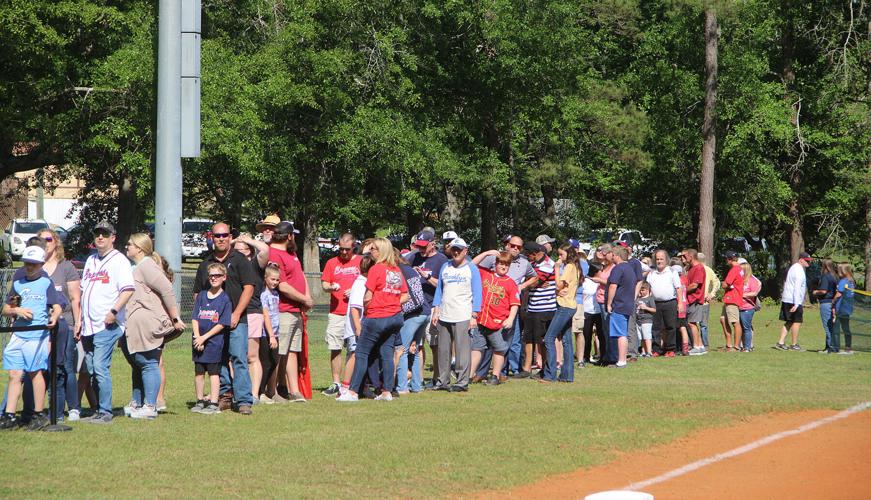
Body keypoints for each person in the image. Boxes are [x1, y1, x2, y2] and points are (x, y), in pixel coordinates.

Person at [194, 222, 257, 413]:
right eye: (217, 236)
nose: (221, 239)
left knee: (238, 358)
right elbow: (198, 293)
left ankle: (244, 400)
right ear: (211, 238)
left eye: (224, 235)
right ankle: (224, 396)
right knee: (217, 360)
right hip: (213, 325)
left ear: (230, 237)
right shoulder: (205, 263)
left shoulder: (239, 260)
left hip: (237, 320)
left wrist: (236, 313)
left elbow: (249, 287)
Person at [0, 246, 63, 430]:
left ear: (41, 265)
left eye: (34, 264)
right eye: (27, 263)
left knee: (35, 372)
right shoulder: (18, 284)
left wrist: (54, 317)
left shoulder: (46, 283)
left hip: (37, 335)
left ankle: (39, 413)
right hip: (19, 334)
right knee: (14, 374)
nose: (29, 267)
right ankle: (10, 415)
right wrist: (16, 310)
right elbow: (5, 308)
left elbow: (56, 305)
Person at [338, 238, 408, 401]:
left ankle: (353, 392)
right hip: (395, 317)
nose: (371, 252)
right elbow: (405, 295)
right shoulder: (396, 270)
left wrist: (371, 305)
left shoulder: (376, 269)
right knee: (386, 353)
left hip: (376, 316)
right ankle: (386, 391)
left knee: (362, 352)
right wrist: (392, 302)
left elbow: (368, 295)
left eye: (374, 249)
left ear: (382, 251)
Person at [123, 233, 184, 420]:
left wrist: (175, 317)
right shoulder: (137, 266)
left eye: (130, 244)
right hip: (134, 322)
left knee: (149, 363)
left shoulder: (147, 266)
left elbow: (166, 289)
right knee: (138, 363)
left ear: (140, 248)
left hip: (148, 322)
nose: (126, 247)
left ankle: (150, 405)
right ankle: (137, 402)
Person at [80, 221, 135, 424]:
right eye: (97, 234)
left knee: (100, 367)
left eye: (105, 234)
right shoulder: (91, 260)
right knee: (92, 368)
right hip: (88, 324)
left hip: (108, 324)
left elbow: (128, 289)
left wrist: (114, 311)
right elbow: (84, 290)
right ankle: (97, 409)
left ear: (113, 237)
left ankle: (105, 413)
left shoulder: (119, 261)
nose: (100, 237)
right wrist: (79, 320)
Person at [472, 235, 537, 378]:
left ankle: (502, 372)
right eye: (513, 245)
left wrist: (522, 286)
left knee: (507, 342)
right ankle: (480, 373)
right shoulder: (495, 258)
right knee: (485, 345)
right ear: (507, 245)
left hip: (507, 310)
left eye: (519, 247)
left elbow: (534, 277)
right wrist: (487, 253)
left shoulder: (524, 263)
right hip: (487, 313)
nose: (515, 248)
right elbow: (472, 266)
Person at [36, 228, 83, 422]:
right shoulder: (36, 267)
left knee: (66, 366)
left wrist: (78, 321)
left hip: (66, 324)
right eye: (40, 240)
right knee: (44, 368)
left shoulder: (67, 267)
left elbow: (74, 298)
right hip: (41, 325)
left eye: (48, 239)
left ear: (56, 242)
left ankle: (73, 408)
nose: (44, 242)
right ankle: (48, 408)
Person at [265, 221, 312, 403]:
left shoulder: (291, 253)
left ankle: (294, 390)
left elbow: (300, 275)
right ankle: (272, 390)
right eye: (294, 235)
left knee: (292, 351)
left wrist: (306, 298)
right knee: (279, 352)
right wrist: (304, 299)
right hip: (282, 310)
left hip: (295, 310)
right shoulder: (274, 254)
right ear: (289, 236)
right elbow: (282, 285)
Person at [431, 238, 482, 392]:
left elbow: (477, 292)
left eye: (459, 249)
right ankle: (442, 381)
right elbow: (439, 289)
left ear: (466, 251)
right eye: (453, 249)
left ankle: (461, 382)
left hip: (463, 315)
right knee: (443, 350)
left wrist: (474, 315)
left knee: (462, 351)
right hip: (444, 314)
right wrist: (436, 310)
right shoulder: (445, 267)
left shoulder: (471, 268)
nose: (456, 252)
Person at [469, 251, 520, 385]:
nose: (504, 267)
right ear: (495, 264)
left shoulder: (510, 283)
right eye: (501, 263)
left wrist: (510, 319)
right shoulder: (485, 274)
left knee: (499, 349)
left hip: (497, 323)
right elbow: (471, 265)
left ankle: (495, 376)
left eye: (507, 264)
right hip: (481, 320)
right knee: (476, 348)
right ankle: (469, 376)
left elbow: (515, 304)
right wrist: (487, 253)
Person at [320, 233, 361, 395]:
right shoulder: (331, 263)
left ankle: (350, 382)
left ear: (353, 247)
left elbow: (369, 282)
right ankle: (336, 382)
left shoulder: (361, 261)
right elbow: (324, 284)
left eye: (347, 249)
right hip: (336, 312)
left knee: (355, 349)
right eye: (341, 249)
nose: (343, 252)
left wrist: (356, 290)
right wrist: (330, 287)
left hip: (355, 313)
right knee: (335, 347)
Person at [408, 230, 449, 386]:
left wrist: (427, 277)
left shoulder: (441, 260)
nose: (421, 249)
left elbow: (444, 285)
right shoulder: (414, 257)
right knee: (417, 345)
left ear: (433, 243)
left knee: (434, 344)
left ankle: (437, 378)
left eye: (424, 246)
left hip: (433, 307)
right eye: (419, 246)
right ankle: (417, 379)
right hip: (416, 308)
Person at [233, 233, 270, 403]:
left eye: (243, 250)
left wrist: (247, 240)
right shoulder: (231, 264)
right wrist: (233, 241)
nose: (239, 253)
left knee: (251, 356)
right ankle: (236, 391)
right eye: (236, 251)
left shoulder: (255, 264)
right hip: (234, 313)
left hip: (253, 312)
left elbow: (264, 249)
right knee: (234, 355)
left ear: (249, 251)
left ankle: (254, 394)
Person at [191, 263, 233, 415]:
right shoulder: (202, 295)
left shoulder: (225, 299)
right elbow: (195, 317)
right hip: (198, 341)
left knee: (213, 373)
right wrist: (197, 337)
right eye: (211, 276)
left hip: (213, 342)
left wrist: (204, 338)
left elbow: (222, 324)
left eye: (217, 275)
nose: (214, 278)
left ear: (224, 277)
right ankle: (200, 400)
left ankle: (214, 402)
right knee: (199, 372)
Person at [541, 244, 581, 382]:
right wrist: (558, 290)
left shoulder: (569, 267)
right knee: (567, 341)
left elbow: (559, 285)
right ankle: (567, 375)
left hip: (564, 306)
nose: (559, 257)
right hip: (570, 305)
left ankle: (550, 374)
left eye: (561, 254)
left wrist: (556, 269)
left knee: (548, 338)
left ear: (568, 254)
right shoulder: (575, 267)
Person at [516, 242, 556, 376]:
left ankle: (544, 368)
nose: (527, 257)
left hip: (545, 308)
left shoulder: (548, 264)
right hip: (532, 307)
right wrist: (531, 281)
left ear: (536, 253)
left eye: (528, 255)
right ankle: (526, 368)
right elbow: (529, 279)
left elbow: (535, 281)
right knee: (528, 338)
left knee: (541, 340)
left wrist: (531, 283)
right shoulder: (534, 264)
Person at [338, 255, 375, 395]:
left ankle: (362, 386)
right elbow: (354, 308)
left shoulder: (366, 282)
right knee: (353, 355)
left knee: (363, 356)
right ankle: (345, 387)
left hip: (364, 325)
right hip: (356, 328)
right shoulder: (361, 283)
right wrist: (358, 329)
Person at [395, 251, 428, 394]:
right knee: (413, 349)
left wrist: (399, 310)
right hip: (423, 314)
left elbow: (417, 299)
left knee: (402, 349)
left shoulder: (404, 271)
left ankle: (402, 387)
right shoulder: (408, 270)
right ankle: (416, 385)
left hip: (416, 315)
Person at [646, 250, 683, 357]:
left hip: (670, 302)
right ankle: (656, 349)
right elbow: (648, 288)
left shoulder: (672, 272)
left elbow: (678, 288)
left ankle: (671, 349)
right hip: (655, 303)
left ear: (666, 260)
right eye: (657, 259)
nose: (659, 261)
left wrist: (680, 303)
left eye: (661, 259)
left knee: (670, 327)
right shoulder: (652, 273)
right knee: (656, 327)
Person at [606, 246, 635, 367]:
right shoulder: (629, 268)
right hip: (627, 304)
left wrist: (609, 303)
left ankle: (621, 360)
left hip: (619, 304)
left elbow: (613, 286)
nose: (611, 257)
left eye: (612, 255)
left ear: (617, 256)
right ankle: (622, 359)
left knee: (620, 334)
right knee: (622, 332)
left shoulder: (618, 268)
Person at [776, 252, 811, 351]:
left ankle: (781, 342)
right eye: (806, 261)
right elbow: (796, 288)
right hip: (793, 300)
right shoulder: (799, 271)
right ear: (801, 260)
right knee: (797, 322)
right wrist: (796, 303)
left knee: (789, 321)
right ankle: (794, 344)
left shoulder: (793, 267)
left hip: (787, 298)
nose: (808, 263)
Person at [590, 244, 614, 364]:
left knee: (608, 329)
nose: (599, 253)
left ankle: (610, 356)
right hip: (599, 299)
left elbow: (612, 283)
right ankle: (605, 356)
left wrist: (599, 280)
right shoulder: (601, 266)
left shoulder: (613, 267)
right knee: (603, 330)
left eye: (602, 251)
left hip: (607, 299)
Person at [680, 249, 706, 355]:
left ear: (691, 256)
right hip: (691, 300)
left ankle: (696, 346)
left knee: (692, 323)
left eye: (684, 257)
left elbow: (695, 285)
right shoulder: (691, 268)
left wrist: (682, 290)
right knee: (692, 323)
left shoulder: (699, 268)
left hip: (695, 299)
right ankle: (700, 346)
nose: (683, 259)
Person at [719, 250, 744, 352]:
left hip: (732, 298)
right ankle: (729, 345)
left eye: (726, 258)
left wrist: (724, 284)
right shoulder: (739, 269)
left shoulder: (734, 269)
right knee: (723, 319)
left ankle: (736, 346)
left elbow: (725, 284)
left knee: (735, 322)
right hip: (730, 298)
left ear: (729, 259)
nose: (725, 260)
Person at [812, 259, 838, 353]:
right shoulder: (834, 277)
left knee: (827, 327)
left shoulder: (825, 277)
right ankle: (829, 347)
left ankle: (830, 347)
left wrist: (815, 292)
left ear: (825, 266)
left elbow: (823, 291)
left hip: (826, 303)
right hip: (833, 303)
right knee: (832, 325)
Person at [696, 252, 721, 348]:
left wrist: (712, 294)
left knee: (702, 325)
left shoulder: (707, 270)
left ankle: (704, 344)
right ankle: (699, 343)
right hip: (696, 300)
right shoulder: (694, 269)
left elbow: (717, 283)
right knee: (700, 324)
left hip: (703, 301)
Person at [830, 263, 855, 354]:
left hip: (841, 308)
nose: (837, 271)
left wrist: (833, 301)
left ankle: (836, 347)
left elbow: (839, 294)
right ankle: (848, 347)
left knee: (837, 328)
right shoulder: (851, 281)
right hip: (847, 308)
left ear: (843, 271)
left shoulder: (844, 281)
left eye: (839, 270)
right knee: (846, 328)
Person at [581, 263, 603, 365]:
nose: (602, 273)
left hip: (599, 311)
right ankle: (585, 356)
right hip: (587, 311)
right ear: (595, 272)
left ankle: (603, 356)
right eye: (600, 271)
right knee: (587, 335)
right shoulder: (585, 282)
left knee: (601, 335)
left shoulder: (601, 282)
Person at [738, 258, 761, 352]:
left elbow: (754, 293)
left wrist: (743, 295)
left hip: (748, 307)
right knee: (740, 327)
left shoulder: (752, 280)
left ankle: (747, 347)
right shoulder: (740, 280)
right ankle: (740, 345)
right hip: (739, 306)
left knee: (746, 327)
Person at [636, 282, 656, 357]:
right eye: (640, 290)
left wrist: (645, 307)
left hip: (647, 320)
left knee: (647, 336)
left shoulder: (650, 299)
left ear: (648, 290)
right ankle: (643, 351)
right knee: (641, 337)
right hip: (638, 321)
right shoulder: (638, 299)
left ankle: (649, 352)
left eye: (643, 290)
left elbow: (654, 310)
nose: (641, 292)